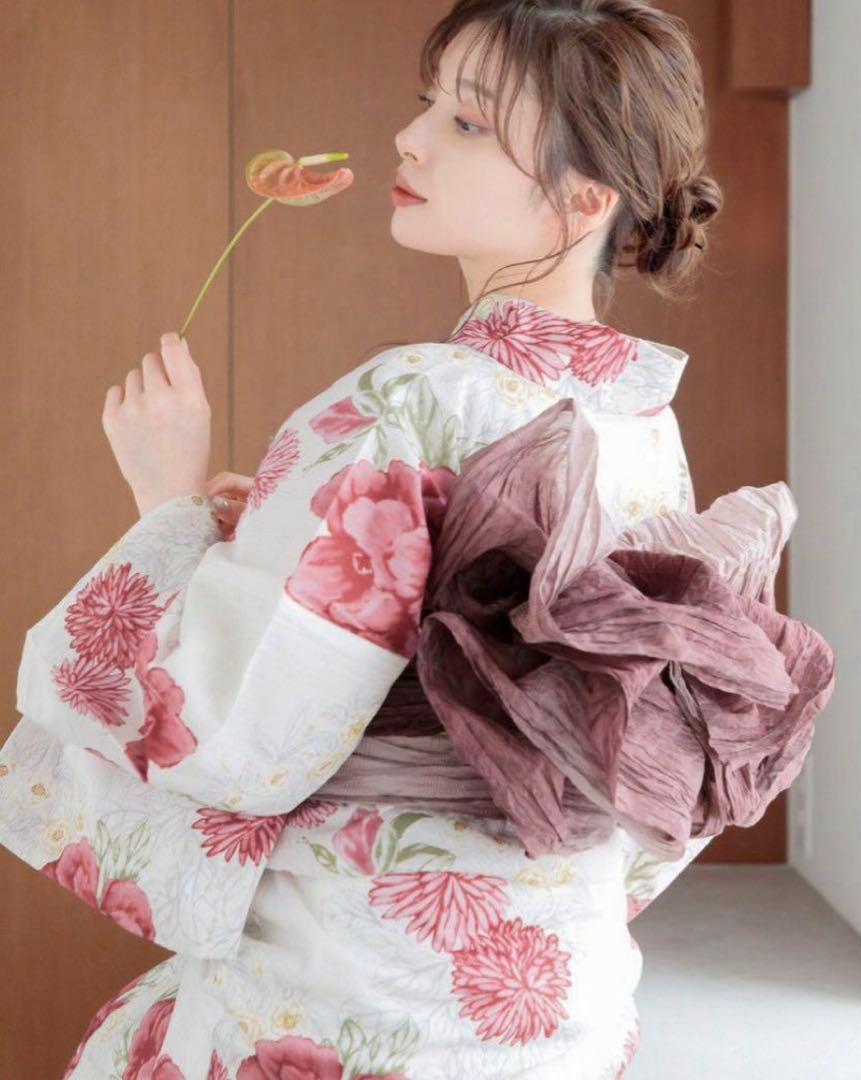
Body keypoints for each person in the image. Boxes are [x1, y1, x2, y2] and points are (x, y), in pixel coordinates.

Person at [0, 3, 815, 1077]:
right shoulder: (642, 427)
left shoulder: (409, 396)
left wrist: (169, 501)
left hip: (354, 973)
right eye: (427, 104)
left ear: (584, 198)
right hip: (554, 984)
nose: (411, 137)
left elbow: (240, 729)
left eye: (467, 123)